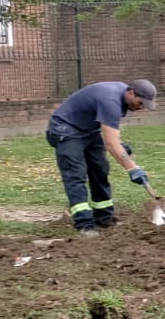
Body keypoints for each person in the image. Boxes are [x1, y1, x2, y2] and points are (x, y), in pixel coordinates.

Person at [45, 79, 157, 236]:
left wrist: (119, 143)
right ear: (131, 93)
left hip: (88, 130)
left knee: (100, 170)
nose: (141, 107)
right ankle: (84, 223)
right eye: (140, 102)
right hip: (65, 130)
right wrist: (133, 168)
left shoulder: (121, 97)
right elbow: (111, 144)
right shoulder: (111, 99)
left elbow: (111, 132)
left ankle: (104, 217)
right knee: (76, 175)